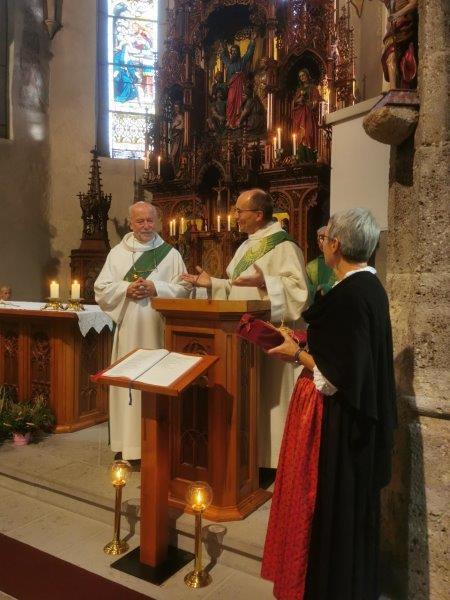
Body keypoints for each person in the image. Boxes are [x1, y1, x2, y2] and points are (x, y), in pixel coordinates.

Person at [261, 208, 397, 600]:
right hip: (351, 420)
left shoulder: (350, 296)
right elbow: (351, 351)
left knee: (321, 506)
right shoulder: (368, 287)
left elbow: (339, 376)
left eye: (324, 238)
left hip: (335, 423)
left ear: (335, 245)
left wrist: (295, 353)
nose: (322, 244)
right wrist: (306, 342)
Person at [182, 189, 309, 467]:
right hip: (242, 336)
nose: (235, 216)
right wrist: (213, 283)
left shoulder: (284, 246)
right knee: (251, 399)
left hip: (271, 338)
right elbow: (236, 288)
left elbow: (300, 292)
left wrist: (266, 282)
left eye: (240, 211)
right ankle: (250, 460)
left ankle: (273, 462)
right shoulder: (245, 246)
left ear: (259, 215)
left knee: (270, 399)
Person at [94, 202, 190, 461]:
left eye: (150, 221)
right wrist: (125, 289)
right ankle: (127, 445)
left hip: (158, 331)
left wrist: (156, 288)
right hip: (128, 331)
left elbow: (185, 289)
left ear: (156, 221)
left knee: (155, 383)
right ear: (130, 223)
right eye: (140, 221)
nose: (146, 226)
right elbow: (101, 288)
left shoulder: (171, 255)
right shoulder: (117, 254)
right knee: (127, 381)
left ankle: (156, 446)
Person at [220, 33, 256, 128]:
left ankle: (237, 121)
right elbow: (223, 57)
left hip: (240, 86)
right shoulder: (229, 63)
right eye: (232, 51)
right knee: (230, 101)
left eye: (235, 51)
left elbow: (249, 54)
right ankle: (229, 120)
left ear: (238, 52)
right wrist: (223, 48)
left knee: (240, 102)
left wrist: (252, 41)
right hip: (232, 86)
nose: (233, 53)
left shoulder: (242, 61)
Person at [381, 0, 418, 90]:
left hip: (405, 28)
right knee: (390, 59)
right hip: (394, 31)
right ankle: (393, 89)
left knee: (396, 59)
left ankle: (394, 90)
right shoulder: (390, 2)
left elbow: (414, 3)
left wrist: (397, 14)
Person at [292, 68, 321, 162]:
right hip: (299, 115)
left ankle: (310, 159)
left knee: (308, 134)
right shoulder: (299, 90)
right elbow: (294, 102)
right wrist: (299, 101)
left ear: (307, 75)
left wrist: (309, 103)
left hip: (309, 114)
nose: (302, 77)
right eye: (300, 76)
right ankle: (302, 160)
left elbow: (316, 101)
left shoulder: (313, 88)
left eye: (303, 75)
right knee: (299, 136)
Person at [305, 226, 336, 301]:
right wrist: (319, 289)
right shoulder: (311, 266)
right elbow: (306, 288)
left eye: (323, 237)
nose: (321, 242)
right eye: (319, 239)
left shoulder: (341, 261)